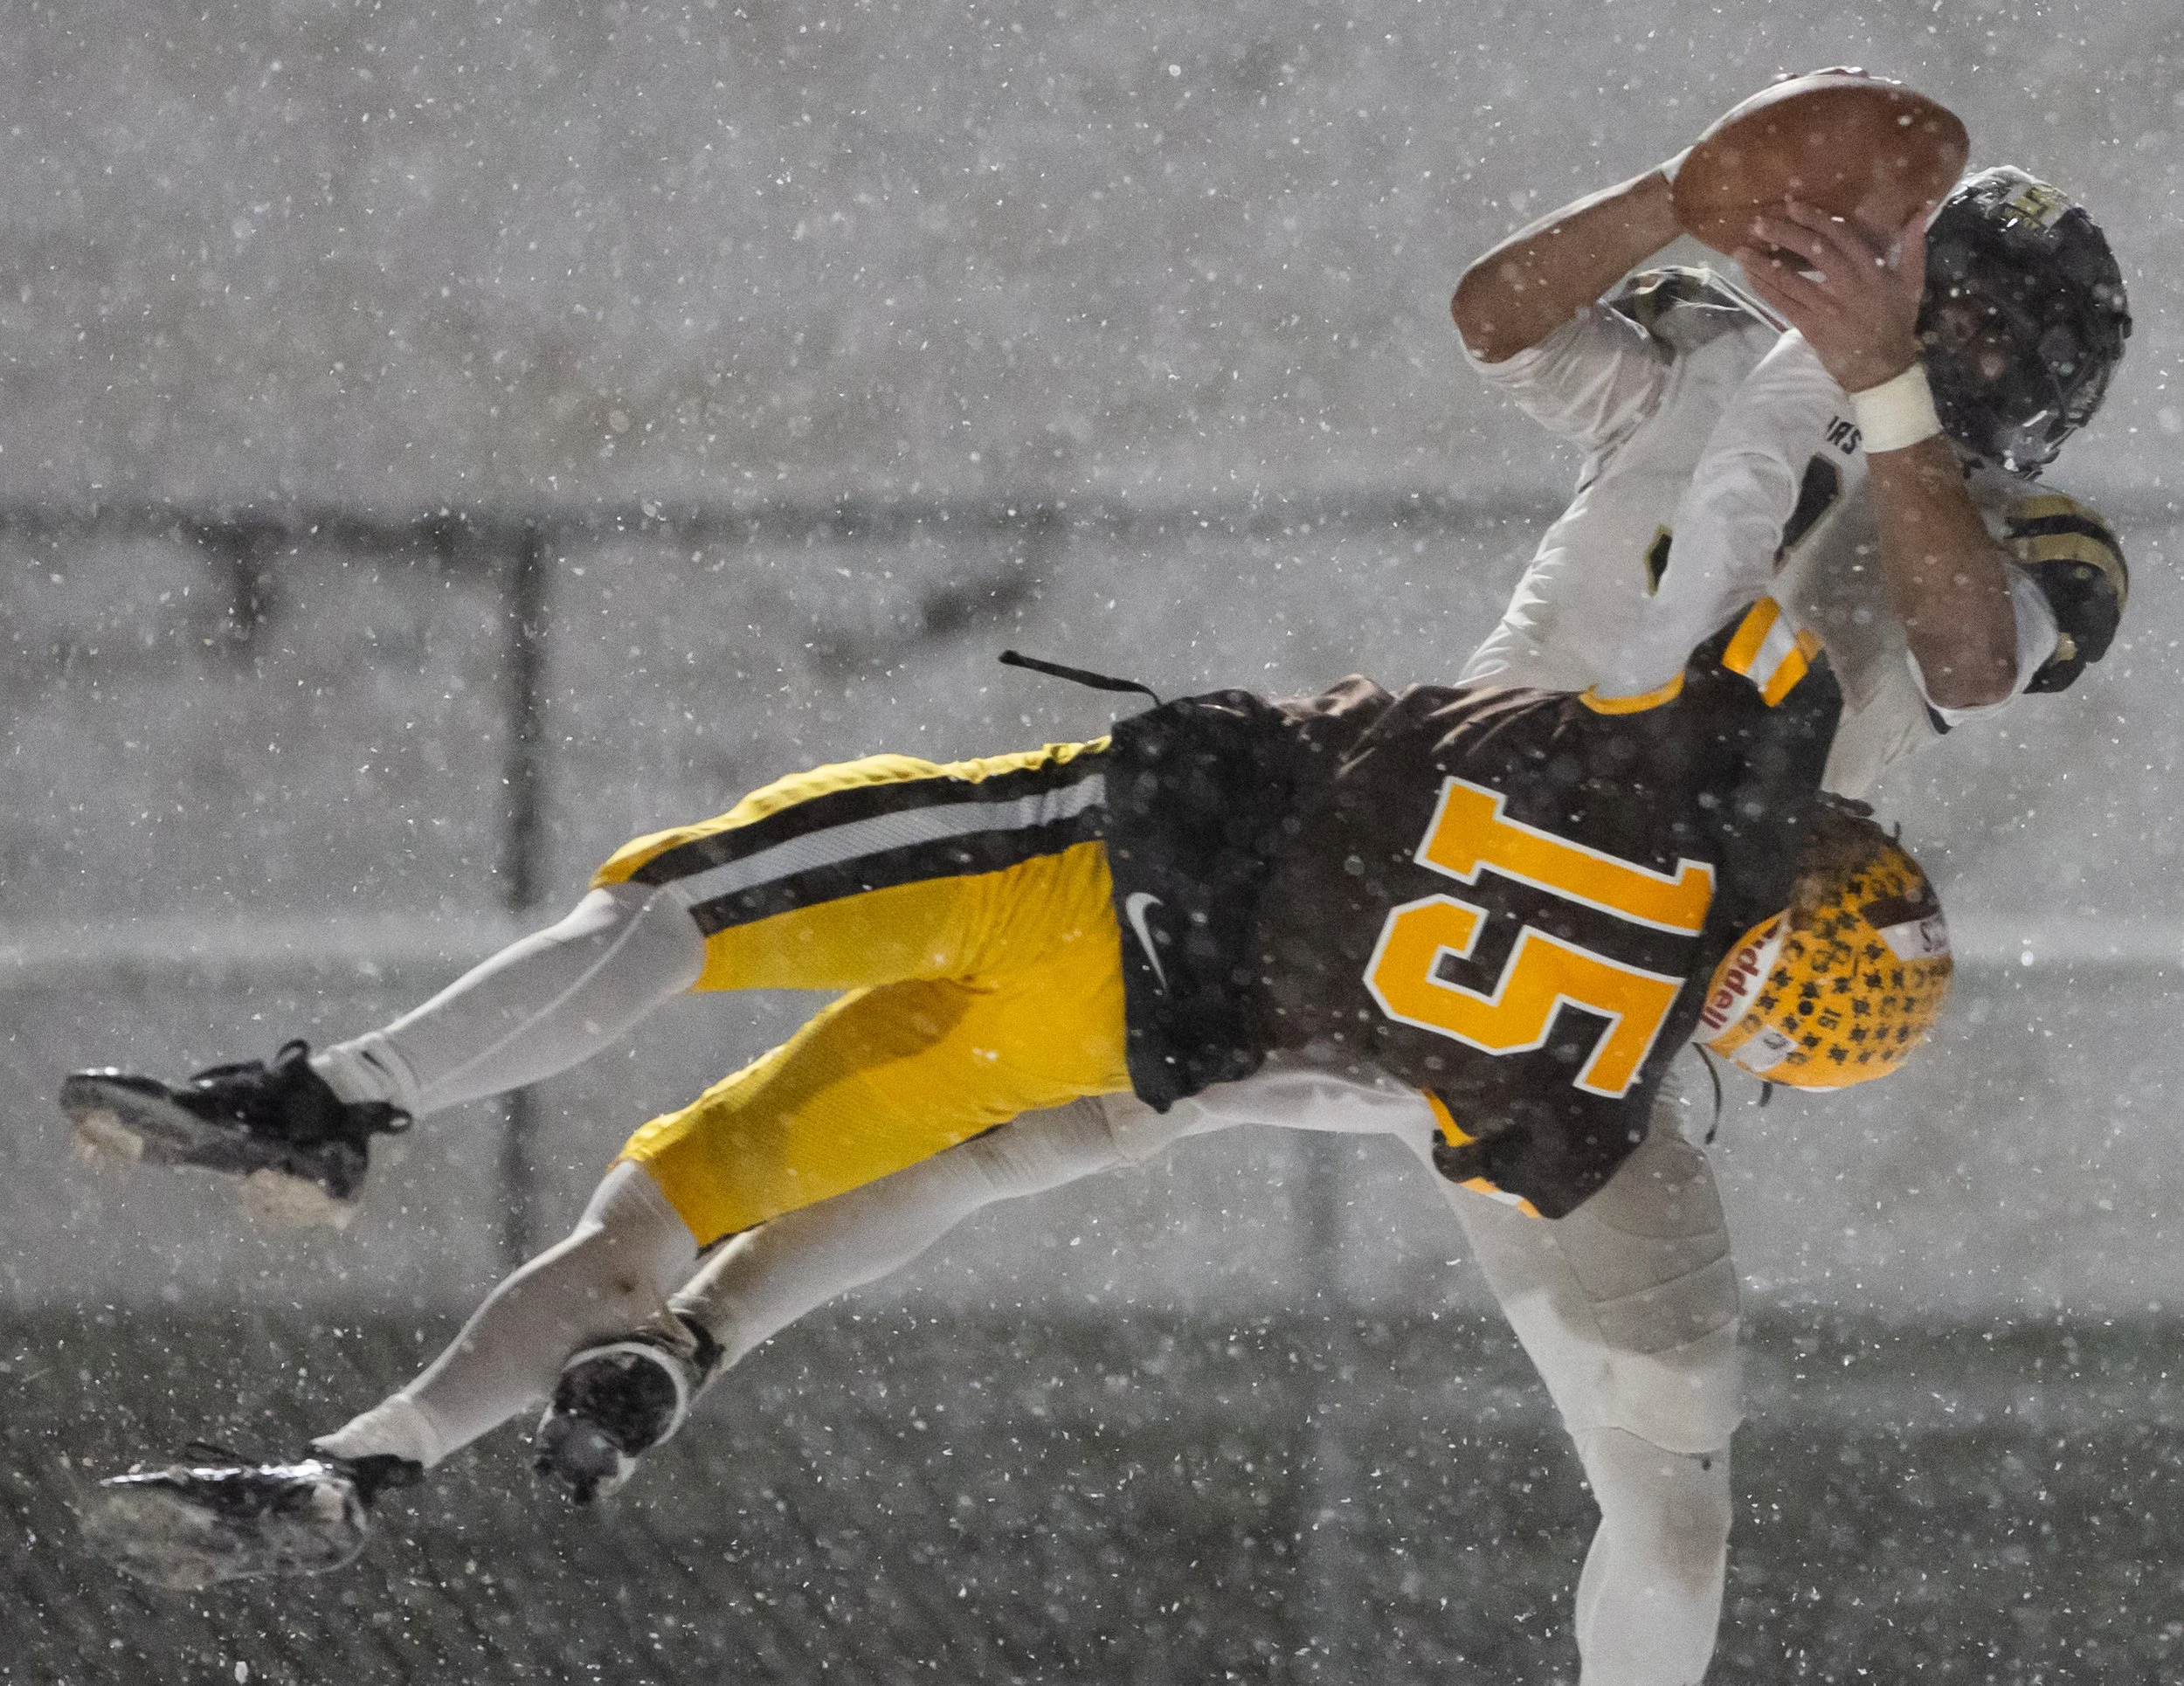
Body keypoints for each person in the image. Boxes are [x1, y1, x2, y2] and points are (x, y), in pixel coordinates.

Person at [610, 132, 2140, 1686]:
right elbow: (1499, 320)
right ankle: (685, 1335)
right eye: (1965, 304)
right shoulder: (1719, 362)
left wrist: (1884, 391)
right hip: (1412, 864)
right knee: (1039, 1114)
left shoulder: (2033, 543)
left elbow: (1963, 657)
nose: (1970, 344)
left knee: (1672, 1507)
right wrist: (1676, 194)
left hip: (1597, 993)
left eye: (2012, 334)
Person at [79, 613, 1954, 1593]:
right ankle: (366, 1462)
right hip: (1127, 1036)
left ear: (1808, 885)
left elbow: (1777, 554)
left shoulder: (1679, 771)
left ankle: (338, 1092)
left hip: (1078, 860)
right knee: (673, 1220)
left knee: (673, 908)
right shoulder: (1584, 1097)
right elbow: (1375, 1097)